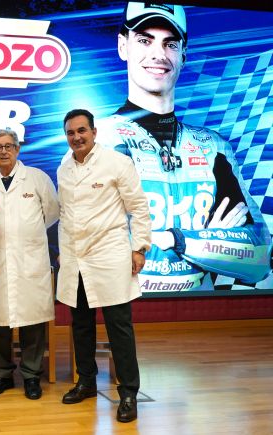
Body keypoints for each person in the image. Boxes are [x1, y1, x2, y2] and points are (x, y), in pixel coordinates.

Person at [97, 2, 272, 291]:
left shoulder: (213, 147)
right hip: (121, 309)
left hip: (197, 312)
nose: (158, 54)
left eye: (170, 44)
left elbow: (259, 259)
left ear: (183, 54)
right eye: (145, 40)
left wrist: (178, 239)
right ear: (123, 46)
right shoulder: (97, 141)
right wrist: (214, 241)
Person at [57, 109, 152, 423]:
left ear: (94, 132)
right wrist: (64, 253)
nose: (77, 137)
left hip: (109, 255)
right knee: (81, 324)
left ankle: (128, 393)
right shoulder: (64, 167)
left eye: (82, 130)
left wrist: (139, 247)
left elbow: (138, 207)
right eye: (71, 133)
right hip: (76, 258)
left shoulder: (117, 162)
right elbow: (65, 214)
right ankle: (86, 381)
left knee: (119, 327)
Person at [0, 129, 59, 400]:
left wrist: (26, 236)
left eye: (9, 146)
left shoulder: (37, 178)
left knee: (32, 321)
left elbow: (52, 213)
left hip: (30, 260)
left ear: (17, 149)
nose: (3, 151)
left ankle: (31, 375)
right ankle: (1, 374)